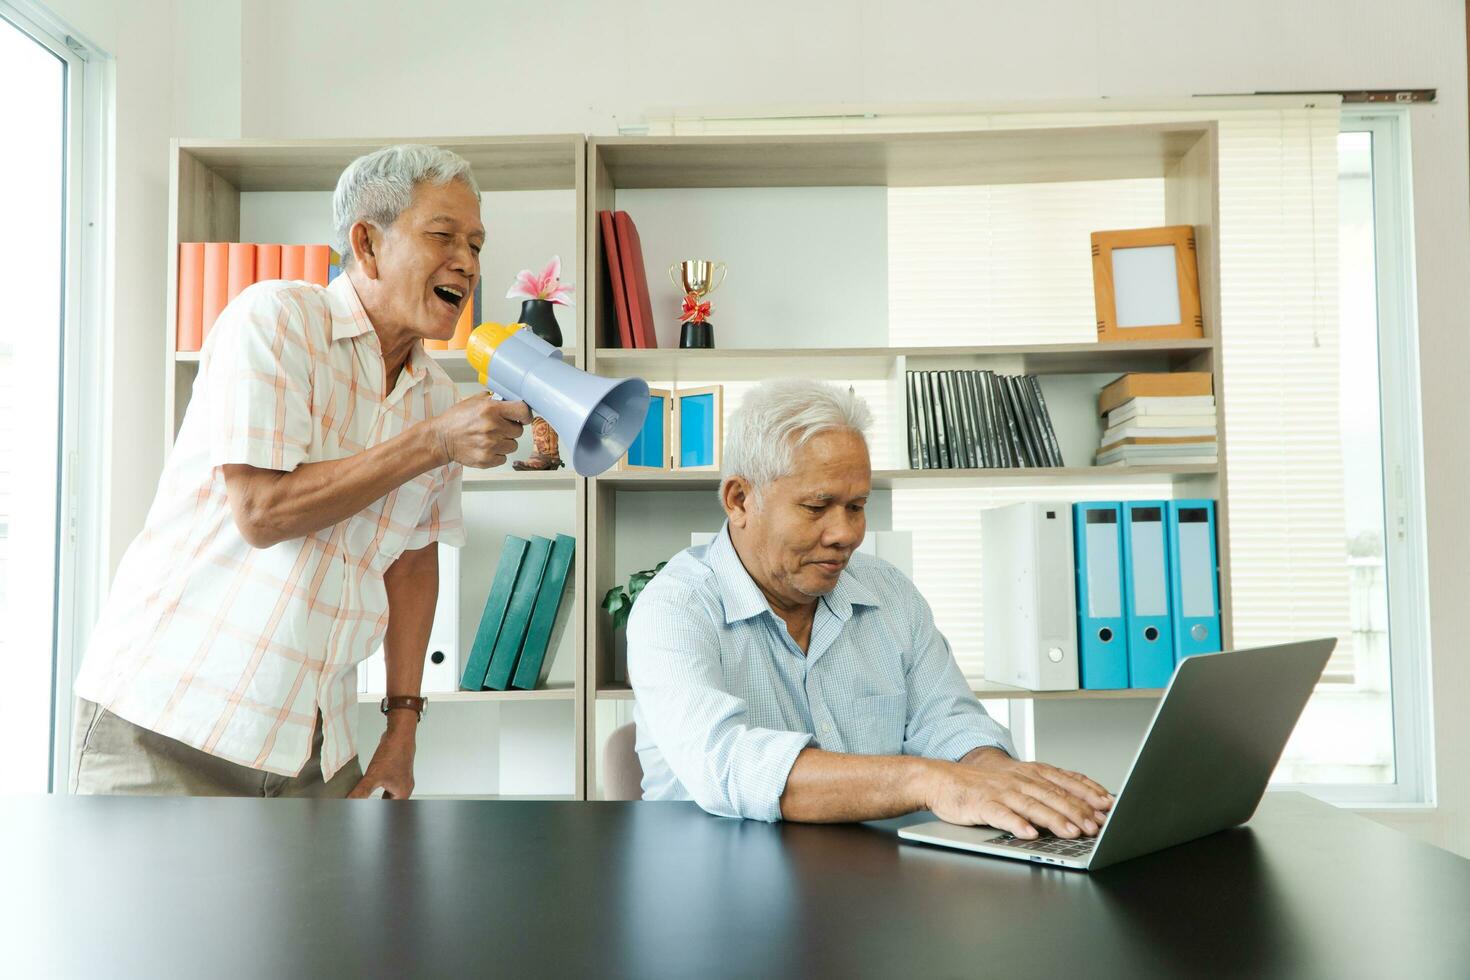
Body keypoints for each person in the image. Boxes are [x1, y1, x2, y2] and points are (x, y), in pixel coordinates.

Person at [70, 144, 530, 798]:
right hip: (168, 724)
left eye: (477, 245)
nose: (468, 261)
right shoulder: (277, 318)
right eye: (443, 236)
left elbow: (411, 564)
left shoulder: (436, 399)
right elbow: (263, 514)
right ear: (366, 244)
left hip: (309, 745)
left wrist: (401, 733)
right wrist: (433, 443)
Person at [628, 379, 1115, 839]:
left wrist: (995, 773)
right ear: (740, 499)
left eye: (857, 506)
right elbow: (727, 765)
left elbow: (946, 719)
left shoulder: (888, 592)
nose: (846, 534)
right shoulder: (674, 607)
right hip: (711, 878)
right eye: (817, 507)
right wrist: (929, 782)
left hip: (870, 877)